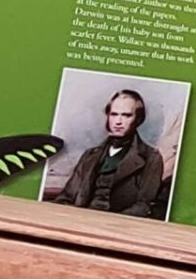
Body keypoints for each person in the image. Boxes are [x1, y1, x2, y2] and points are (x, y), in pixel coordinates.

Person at [51, 87, 170, 218]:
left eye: (126, 115)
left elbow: (143, 206)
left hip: (118, 224)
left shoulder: (151, 157)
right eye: (114, 114)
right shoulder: (90, 155)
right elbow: (66, 197)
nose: (118, 122)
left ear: (138, 119)